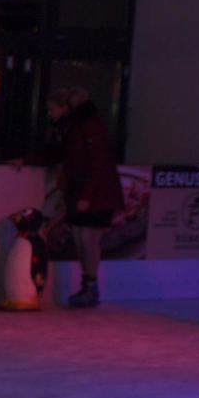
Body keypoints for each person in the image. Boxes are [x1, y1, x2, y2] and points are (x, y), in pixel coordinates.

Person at [41, 87, 124, 307]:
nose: (49, 114)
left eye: (52, 109)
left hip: (95, 194)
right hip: (81, 192)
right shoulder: (72, 126)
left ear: (66, 106)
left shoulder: (88, 125)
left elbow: (98, 161)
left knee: (88, 239)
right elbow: (62, 155)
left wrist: (87, 195)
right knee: (80, 238)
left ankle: (90, 286)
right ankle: (87, 285)